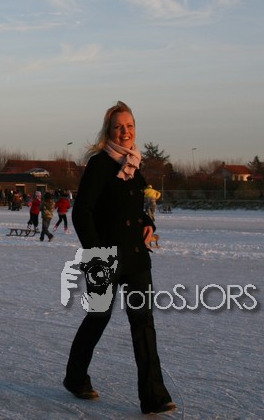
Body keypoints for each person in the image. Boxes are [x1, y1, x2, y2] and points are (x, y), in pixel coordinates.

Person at [64, 101, 176, 415]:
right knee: (98, 317)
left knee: (144, 324)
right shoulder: (100, 164)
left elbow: (138, 208)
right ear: (109, 131)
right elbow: (82, 213)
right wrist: (96, 255)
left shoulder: (134, 164)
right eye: (118, 127)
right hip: (105, 257)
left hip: (136, 257)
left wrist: (149, 223)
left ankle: (154, 396)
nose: (125, 132)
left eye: (129, 126)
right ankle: (75, 378)